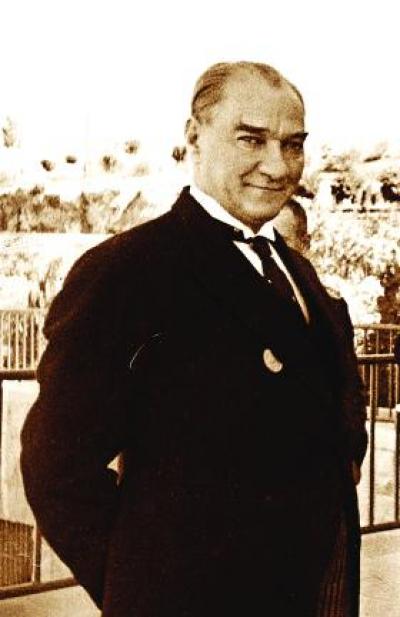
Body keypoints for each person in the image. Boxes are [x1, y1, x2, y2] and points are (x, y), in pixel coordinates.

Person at [20, 61, 367, 617]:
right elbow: (55, 468)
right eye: (251, 139)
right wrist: (148, 589)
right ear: (194, 137)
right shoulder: (126, 272)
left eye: (293, 144)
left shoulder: (296, 271)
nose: (278, 165)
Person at [273, 198, 367, 484]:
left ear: (305, 243)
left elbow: (351, 387)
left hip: (326, 472)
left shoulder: (333, 308)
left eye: (282, 241)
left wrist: (353, 455)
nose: (273, 251)